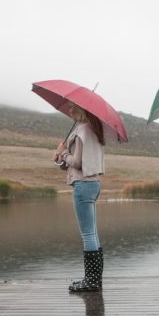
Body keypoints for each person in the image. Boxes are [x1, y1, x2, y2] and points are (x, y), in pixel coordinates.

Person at [53, 102, 106, 292]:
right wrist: (62, 158)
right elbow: (74, 163)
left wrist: (64, 152)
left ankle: (91, 280)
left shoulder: (82, 130)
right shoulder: (93, 129)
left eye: (73, 107)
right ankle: (95, 279)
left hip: (83, 185)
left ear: (83, 109)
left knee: (88, 233)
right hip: (94, 184)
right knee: (92, 232)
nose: (69, 110)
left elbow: (76, 162)